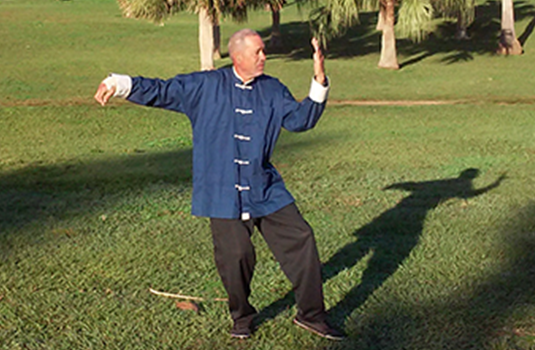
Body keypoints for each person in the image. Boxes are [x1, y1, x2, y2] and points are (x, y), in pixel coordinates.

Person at [94, 28, 344, 341]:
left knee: (302, 238)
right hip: (221, 191)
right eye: (258, 52)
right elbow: (162, 90)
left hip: (265, 188)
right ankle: (241, 317)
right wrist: (118, 83)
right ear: (238, 57)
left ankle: (311, 315)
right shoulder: (205, 86)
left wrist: (319, 81)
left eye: (263, 51)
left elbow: (300, 120)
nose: (264, 57)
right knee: (236, 256)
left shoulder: (272, 89)